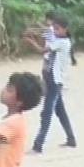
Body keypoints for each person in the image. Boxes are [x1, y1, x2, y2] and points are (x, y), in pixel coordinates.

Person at [25, 14, 76, 153]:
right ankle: (71, 139)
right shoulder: (61, 40)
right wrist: (35, 37)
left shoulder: (62, 42)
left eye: (57, 28)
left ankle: (38, 144)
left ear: (65, 29)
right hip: (52, 79)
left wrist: (31, 42)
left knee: (46, 113)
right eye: (54, 27)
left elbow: (42, 50)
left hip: (54, 80)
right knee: (60, 111)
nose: (54, 30)